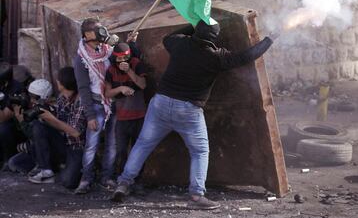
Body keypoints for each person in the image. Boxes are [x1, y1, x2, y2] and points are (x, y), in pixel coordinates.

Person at [112, 20, 275, 209]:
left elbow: (168, 38)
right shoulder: (216, 57)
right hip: (188, 111)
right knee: (199, 152)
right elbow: (247, 56)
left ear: (196, 32)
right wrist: (269, 39)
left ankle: (123, 184)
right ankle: (197, 196)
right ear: (214, 38)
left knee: (142, 144)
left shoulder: (180, 43)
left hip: (161, 103)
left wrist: (195, 21)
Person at [74, 17, 117, 194]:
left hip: (113, 103)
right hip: (97, 105)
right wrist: (90, 116)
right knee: (91, 144)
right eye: (98, 30)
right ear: (88, 35)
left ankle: (106, 178)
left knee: (112, 144)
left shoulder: (107, 51)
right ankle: (86, 179)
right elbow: (83, 89)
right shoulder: (81, 59)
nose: (103, 33)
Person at [27, 67, 86, 188]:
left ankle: (68, 167)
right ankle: (46, 170)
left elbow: (75, 133)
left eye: (58, 80)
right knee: (38, 125)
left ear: (64, 83)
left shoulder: (81, 101)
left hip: (76, 147)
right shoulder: (61, 98)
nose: (57, 82)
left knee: (68, 182)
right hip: (63, 142)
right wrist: (45, 115)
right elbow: (58, 124)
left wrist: (50, 118)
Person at [105, 38, 147, 176]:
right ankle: (121, 178)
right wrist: (121, 89)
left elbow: (142, 85)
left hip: (139, 115)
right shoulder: (111, 70)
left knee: (138, 149)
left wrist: (129, 71)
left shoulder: (136, 64)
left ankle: (138, 180)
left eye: (127, 57)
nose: (124, 60)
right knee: (121, 150)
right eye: (120, 58)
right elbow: (107, 93)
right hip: (122, 117)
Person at [0, 63, 25, 170]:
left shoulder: (17, 90)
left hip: (15, 127)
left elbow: (3, 118)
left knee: (3, 128)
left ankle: (8, 157)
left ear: (5, 83)